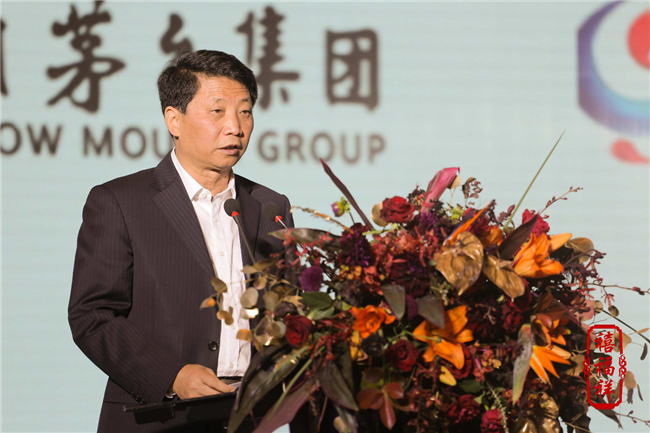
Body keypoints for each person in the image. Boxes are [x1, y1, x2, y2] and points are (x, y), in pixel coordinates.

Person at [68, 50, 294, 432]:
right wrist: (172, 375)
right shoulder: (120, 202)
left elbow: (286, 309)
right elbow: (92, 316)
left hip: (246, 417)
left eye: (245, 112)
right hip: (157, 416)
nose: (235, 127)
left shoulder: (270, 206)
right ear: (174, 119)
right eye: (217, 111)